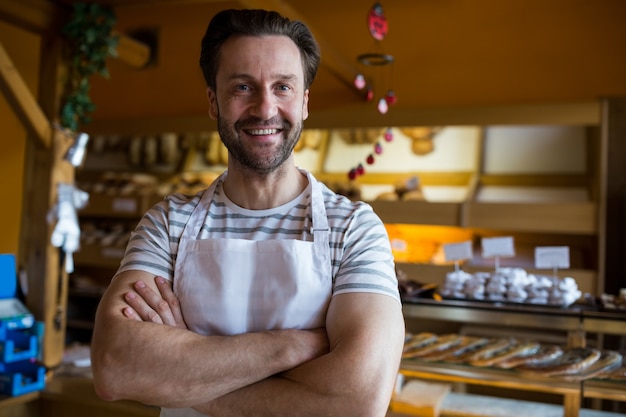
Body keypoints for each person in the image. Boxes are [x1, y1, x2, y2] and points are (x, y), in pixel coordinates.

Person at [91, 8, 405, 417]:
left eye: (283, 87)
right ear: (213, 101)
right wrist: (294, 345)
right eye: (243, 87)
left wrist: (179, 377)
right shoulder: (168, 223)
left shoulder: (355, 229)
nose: (265, 108)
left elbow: (358, 401)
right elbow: (115, 366)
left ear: (305, 102)